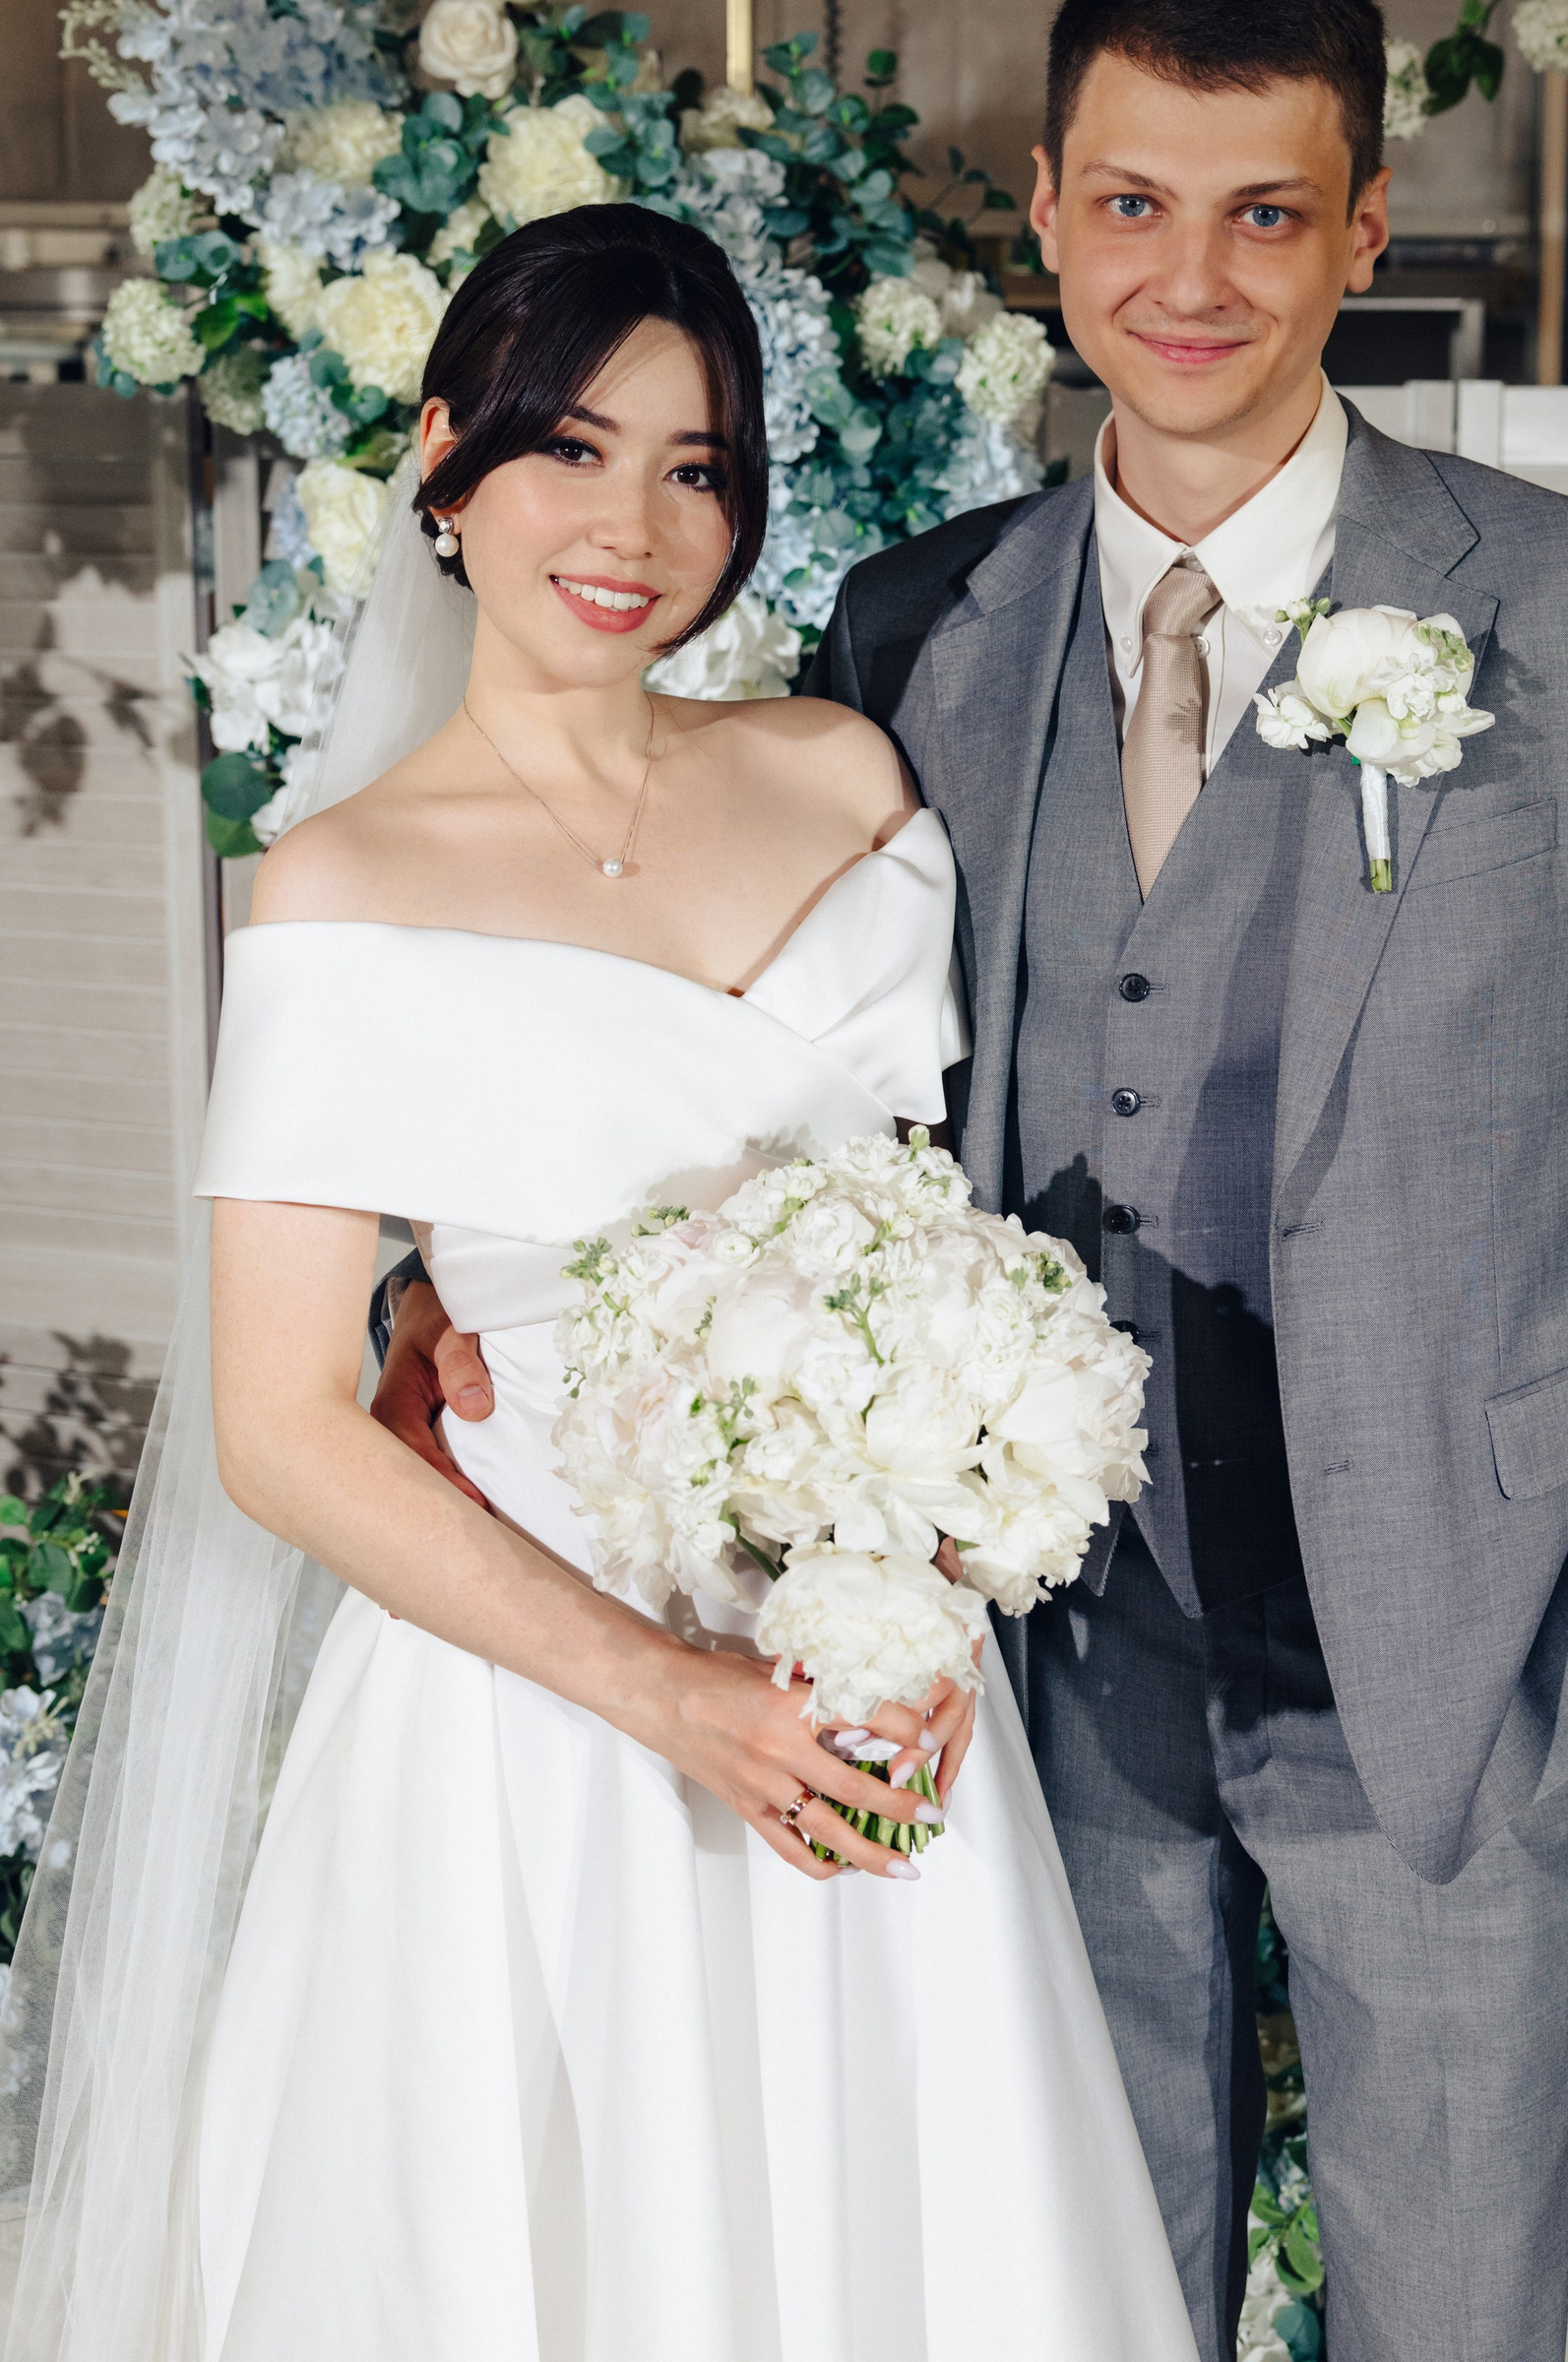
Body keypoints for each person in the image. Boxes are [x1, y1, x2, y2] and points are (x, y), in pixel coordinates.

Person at [388, 0, 1568, 2359]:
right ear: (1046, 212)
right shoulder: (918, 627)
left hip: (1469, 1659)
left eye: (1266, 214)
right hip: (1045, 1676)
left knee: (1458, 2319)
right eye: (1134, 204)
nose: (1191, 277)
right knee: (1071, 2300)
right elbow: (758, 1056)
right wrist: (446, 1267)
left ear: (1365, 231)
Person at [0, 207, 1198, 2362]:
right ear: (445, 461)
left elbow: (929, 1277)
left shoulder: (840, 780)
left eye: (695, 467)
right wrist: (673, 1701)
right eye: (571, 449)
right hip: (528, 1725)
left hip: (859, 1700)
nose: (633, 528)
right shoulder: (343, 891)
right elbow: (281, 1434)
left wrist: (930, 1587)